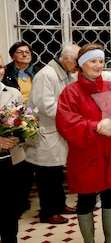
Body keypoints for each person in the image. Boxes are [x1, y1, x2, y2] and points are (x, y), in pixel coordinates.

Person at [56, 43, 111, 243]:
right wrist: (95, 125)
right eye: (93, 61)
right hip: (86, 154)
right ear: (81, 65)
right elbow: (66, 122)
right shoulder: (70, 92)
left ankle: (110, 239)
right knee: (86, 199)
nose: (98, 65)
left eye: (101, 61)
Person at [24, 43, 80, 225]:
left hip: (58, 130)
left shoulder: (66, 74)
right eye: (76, 61)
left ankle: (60, 204)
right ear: (65, 59)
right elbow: (45, 105)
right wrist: (73, 114)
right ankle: (48, 212)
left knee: (56, 172)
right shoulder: (46, 75)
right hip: (45, 132)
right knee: (46, 174)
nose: (78, 65)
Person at [4, 42, 43, 212]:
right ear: (13, 56)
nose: (25, 55)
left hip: (37, 117)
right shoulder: (6, 72)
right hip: (13, 119)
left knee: (35, 158)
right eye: (20, 52)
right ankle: (19, 199)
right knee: (19, 161)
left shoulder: (38, 71)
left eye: (27, 52)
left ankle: (27, 197)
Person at [0, 54, 28, 243]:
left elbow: (25, 122)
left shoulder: (13, 92)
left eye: (0, 67)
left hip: (11, 161)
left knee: (10, 211)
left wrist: (19, 137)